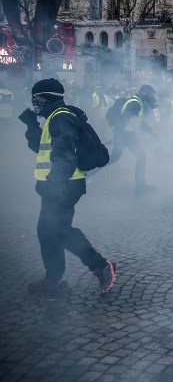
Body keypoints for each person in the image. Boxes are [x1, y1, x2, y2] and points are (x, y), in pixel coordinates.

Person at [18, 78, 116, 295]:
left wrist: (54, 184)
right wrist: (32, 126)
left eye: (36, 97)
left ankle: (99, 266)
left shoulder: (60, 118)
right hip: (59, 183)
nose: (34, 101)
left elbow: (64, 155)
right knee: (47, 230)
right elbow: (42, 149)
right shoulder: (55, 117)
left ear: (44, 97)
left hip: (63, 185)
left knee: (57, 230)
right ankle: (55, 277)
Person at [109, 84, 157, 193]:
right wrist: (118, 137)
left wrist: (151, 131)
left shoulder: (137, 102)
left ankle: (140, 186)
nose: (152, 97)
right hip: (126, 135)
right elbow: (124, 119)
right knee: (141, 156)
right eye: (151, 94)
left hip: (127, 134)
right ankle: (140, 187)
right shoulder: (135, 103)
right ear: (144, 93)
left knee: (116, 158)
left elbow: (137, 122)